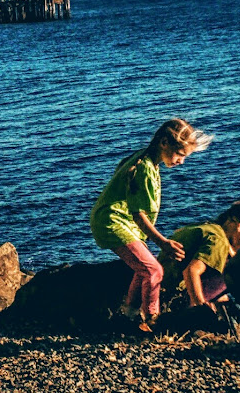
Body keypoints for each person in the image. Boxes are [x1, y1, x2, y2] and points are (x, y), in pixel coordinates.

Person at [89, 118, 213, 331]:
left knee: (144, 268)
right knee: (153, 270)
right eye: (180, 155)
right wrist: (163, 242)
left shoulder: (144, 159)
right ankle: (152, 320)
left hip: (119, 221)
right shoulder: (144, 168)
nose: (181, 161)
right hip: (113, 222)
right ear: (164, 143)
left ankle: (129, 315)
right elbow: (139, 215)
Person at [158, 200, 240, 312]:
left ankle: (222, 307)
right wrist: (199, 306)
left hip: (161, 290)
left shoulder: (209, 228)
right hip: (173, 297)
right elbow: (191, 270)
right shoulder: (219, 241)